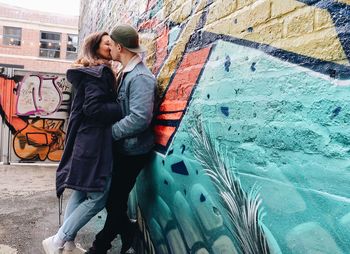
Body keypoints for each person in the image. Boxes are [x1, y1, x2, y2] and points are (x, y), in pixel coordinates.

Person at [42, 31, 122, 254]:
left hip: (85, 140)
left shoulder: (88, 72)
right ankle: (58, 240)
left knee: (80, 192)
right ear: (95, 47)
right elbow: (93, 108)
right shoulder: (100, 72)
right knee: (97, 196)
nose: (111, 46)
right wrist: (120, 107)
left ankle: (66, 244)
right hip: (94, 142)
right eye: (107, 43)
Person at [86, 24, 156, 254]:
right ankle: (126, 230)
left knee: (114, 200)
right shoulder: (125, 73)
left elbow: (139, 118)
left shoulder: (141, 78)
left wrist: (109, 134)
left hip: (134, 151)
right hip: (123, 148)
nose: (109, 49)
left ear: (119, 46)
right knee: (114, 200)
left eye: (111, 45)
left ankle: (100, 245)